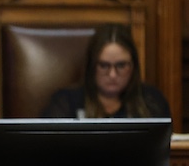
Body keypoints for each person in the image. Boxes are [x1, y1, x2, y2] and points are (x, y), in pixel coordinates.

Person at [41, 23, 170, 119]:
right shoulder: (66, 102)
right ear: (92, 65)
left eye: (121, 65)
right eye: (104, 66)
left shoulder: (152, 101)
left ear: (133, 66)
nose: (112, 75)